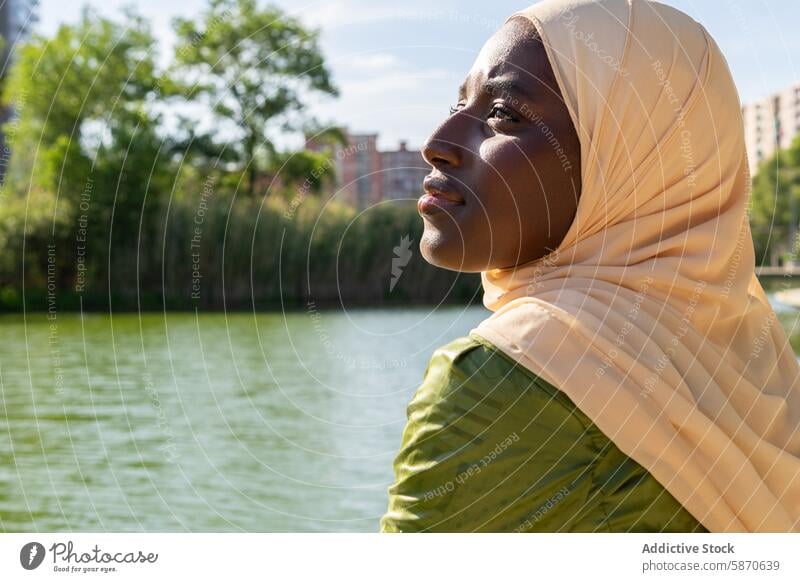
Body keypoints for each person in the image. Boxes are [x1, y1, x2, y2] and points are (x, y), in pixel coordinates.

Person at [380, 0, 800, 533]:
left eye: (504, 114)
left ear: (631, 162)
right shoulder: (763, 368)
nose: (436, 144)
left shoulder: (499, 382)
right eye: (457, 104)